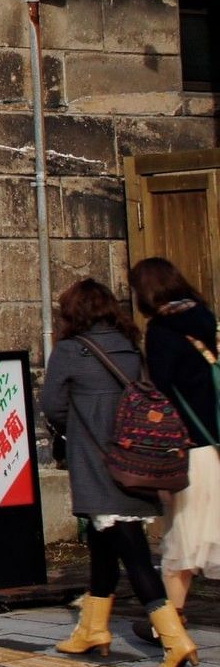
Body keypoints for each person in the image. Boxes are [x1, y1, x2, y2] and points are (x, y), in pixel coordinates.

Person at [40, 276, 196, 667]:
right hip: (136, 465)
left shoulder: (71, 352)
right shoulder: (130, 347)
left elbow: (53, 406)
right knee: (104, 547)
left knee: (136, 558)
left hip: (96, 465)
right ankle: (92, 628)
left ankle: (175, 639)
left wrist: (77, 426)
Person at [130, 258, 220, 633]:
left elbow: (161, 392)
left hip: (188, 449)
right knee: (202, 536)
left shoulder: (161, 332)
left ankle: (169, 628)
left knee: (181, 541)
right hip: (215, 443)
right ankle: (171, 622)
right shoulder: (203, 318)